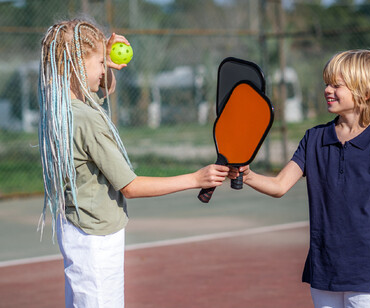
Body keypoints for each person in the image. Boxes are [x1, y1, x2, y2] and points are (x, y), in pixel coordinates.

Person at [37, 18, 229, 307]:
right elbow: (131, 186)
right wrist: (195, 179)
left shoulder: (60, 106)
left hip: (78, 232)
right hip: (97, 243)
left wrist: (103, 62)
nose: (105, 70)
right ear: (77, 65)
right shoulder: (88, 121)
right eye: (101, 63)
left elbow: (101, 90)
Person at [230, 49, 370, 308]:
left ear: (365, 93)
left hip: (368, 271)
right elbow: (280, 185)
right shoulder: (313, 139)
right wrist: (248, 174)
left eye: (337, 85)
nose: (328, 89)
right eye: (327, 83)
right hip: (324, 268)